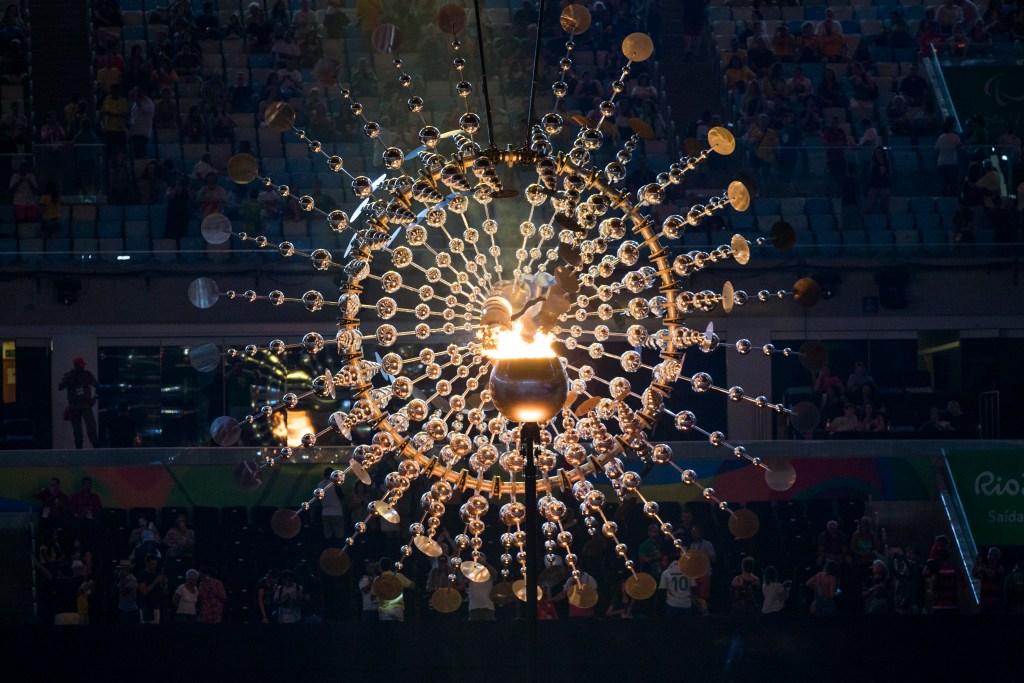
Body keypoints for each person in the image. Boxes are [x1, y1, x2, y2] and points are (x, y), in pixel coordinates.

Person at [58, 357, 99, 449]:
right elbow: (60, 386)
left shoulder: (87, 375)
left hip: (85, 404)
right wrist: (68, 378)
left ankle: (95, 446)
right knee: (77, 430)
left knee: (91, 427)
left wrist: (95, 398)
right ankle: (80, 448)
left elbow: (97, 385)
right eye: (81, 365)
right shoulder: (70, 376)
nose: (82, 367)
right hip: (75, 405)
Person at [318, 467, 346, 544]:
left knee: (328, 536)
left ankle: (329, 552)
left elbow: (319, 499)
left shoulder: (320, 485)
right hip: (337, 512)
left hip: (325, 512)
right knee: (339, 536)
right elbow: (341, 496)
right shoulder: (335, 484)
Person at [137, 554, 168, 624]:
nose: (154, 566)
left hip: (156, 606)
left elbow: (163, 591)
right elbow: (144, 591)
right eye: (152, 564)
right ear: (147, 563)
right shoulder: (142, 574)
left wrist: (164, 583)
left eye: (155, 564)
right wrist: (156, 581)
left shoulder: (157, 574)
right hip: (146, 607)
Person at [973, 547, 1005, 613]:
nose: (989, 556)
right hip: (984, 600)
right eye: (989, 554)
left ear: (996, 556)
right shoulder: (985, 567)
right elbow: (974, 575)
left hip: (995, 601)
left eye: (991, 554)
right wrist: (977, 563)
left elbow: (991, 576)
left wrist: (983, 565)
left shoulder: (1000, 567)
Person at [114, 559, 139, 624]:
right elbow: (114, 592)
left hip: (130, 611)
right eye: (121, 566)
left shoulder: (132, 579)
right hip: (122, 608)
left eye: (126, 567)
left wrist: (121, 579)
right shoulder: (121, 578)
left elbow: (124, 592)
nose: (123, 569)